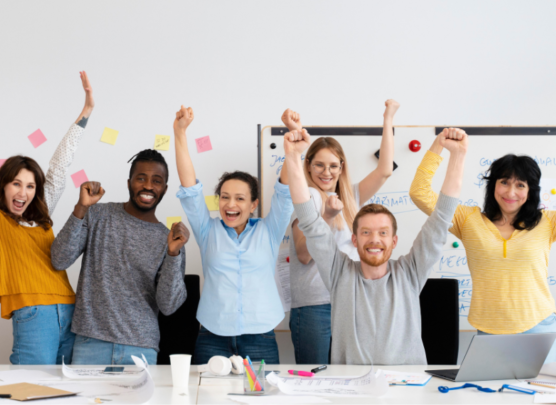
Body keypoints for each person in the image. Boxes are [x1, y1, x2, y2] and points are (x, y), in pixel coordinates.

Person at [410, 132, 556, 363]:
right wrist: (438, 145)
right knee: (496, 397)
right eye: (504, 182)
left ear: (530, 191)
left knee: (545, 396)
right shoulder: (467, 220)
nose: (510, 193)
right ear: (493, 185)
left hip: (539, 328)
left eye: (520, 185)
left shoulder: (548, 222)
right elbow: (419, 193)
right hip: (491, 330)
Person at [285, 127, 466, 364]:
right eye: (366, 232)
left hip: (407, 390)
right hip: (354, 389)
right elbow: (308, 218)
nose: (374, 240)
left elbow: (442, 215)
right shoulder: (339, 274)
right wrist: (292, 155)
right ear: (354, 239)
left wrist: (458, 156)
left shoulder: (410, 272)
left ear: (393, 242)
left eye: (382, 233)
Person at [0, 59, 91, 364]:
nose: (23, 192)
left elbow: (58, 168)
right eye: (16, 184)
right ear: (2, 187)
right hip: (33, 313)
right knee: (33, 391)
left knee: (73, 394)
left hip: (72, 311)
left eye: (30, 186)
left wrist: (85, 114)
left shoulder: (41, 219)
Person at [173, 105, 293, 365]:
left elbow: (285, 190)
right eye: (225, 197)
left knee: (263, 399)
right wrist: (180, 133)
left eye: (240, 199)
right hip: (212, 335)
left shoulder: (269, 231)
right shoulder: (208, 230)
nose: (230, 205)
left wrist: (292, 149)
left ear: (253, 205)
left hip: (260, 335)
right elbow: (190, 188)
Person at [284, 100, 398, 365]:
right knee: (317, 381)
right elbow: (303, 254)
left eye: (334, 165)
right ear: (308, 166)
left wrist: (388, 119)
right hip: (315, 305)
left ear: (342, 167)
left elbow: (385, 171)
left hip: (349, 299)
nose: (327, 172)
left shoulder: (349, 196)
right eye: (320, 165)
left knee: (348, 381)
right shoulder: (309, 196)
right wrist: (326, 217)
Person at [51, 150, 189, 365]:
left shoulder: (169, 239)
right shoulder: (97, 214)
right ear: (129, 183)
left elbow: (168, 305)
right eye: (141, 178)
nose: (148, 186)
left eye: (157, 181)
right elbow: (59, 259)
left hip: (141, 347)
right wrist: (81, 207)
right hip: (90, 341)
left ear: (165, 189)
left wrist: (173, 254)